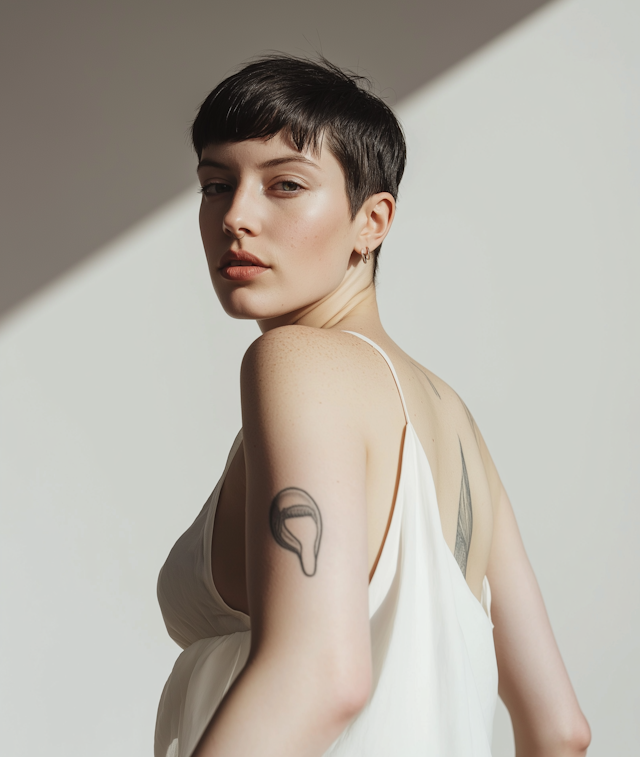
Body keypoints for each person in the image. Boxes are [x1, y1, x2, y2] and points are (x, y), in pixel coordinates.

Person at [154, 55, 590, 757]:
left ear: (372, 220)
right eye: (216, 185)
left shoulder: (297, 362)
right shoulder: (453, 422)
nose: (236, 217)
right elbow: (560, 731)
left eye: (285, 184)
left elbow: (319, 677)